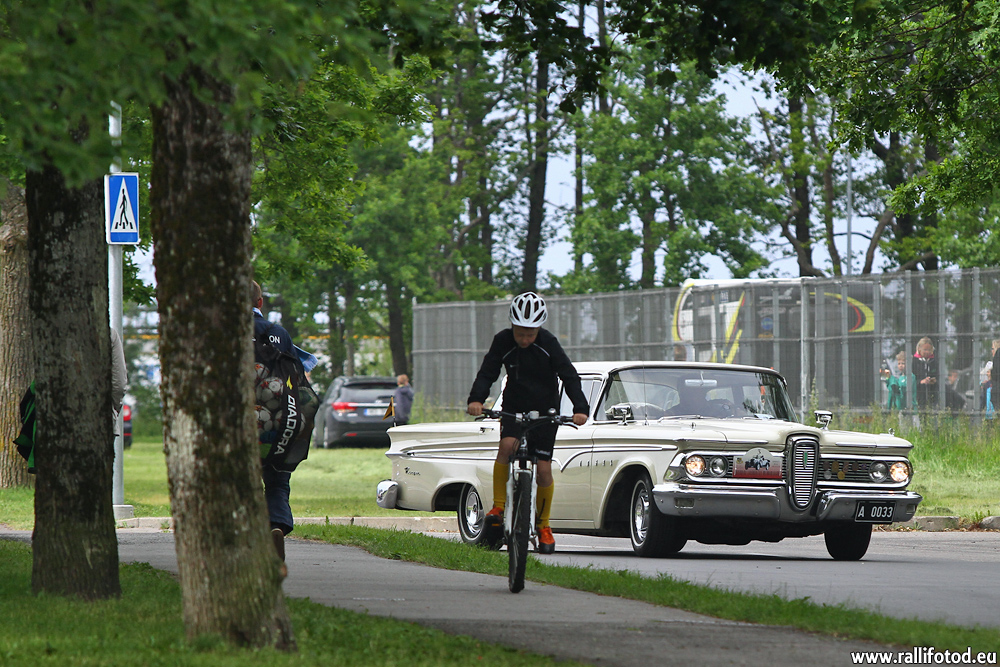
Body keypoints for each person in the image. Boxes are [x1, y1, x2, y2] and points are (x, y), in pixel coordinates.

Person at [466, 291, 589, 555]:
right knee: (506, 446)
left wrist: (580, 408)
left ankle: (543, 525)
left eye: (530, 335)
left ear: (539, 329)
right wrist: (476, 399)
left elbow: (569, 375)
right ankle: (499, 506)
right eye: (520, 333)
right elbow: (488, 371)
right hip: (514, 406)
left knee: (543, 469)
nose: (524, 339)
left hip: (546, 409)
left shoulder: (549, 343)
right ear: (512, 325)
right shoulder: (502, 341)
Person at [253, 280, 317, 562]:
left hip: (238, 426)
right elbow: (300, 380)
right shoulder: (278, 333)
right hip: (280, 422)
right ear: (260, 302)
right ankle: (276, 526)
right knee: (277, 480)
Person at [912, 337, 938, 409]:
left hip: (931, 394)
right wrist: (921, 382)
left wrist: (934, 380)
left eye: (929, 350)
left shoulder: (934, 361)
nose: (927, 352)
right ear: (919, 349)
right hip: (918, 395)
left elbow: (938, 375)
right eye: (925, 350)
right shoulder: (914, 361)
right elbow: (911, 380)